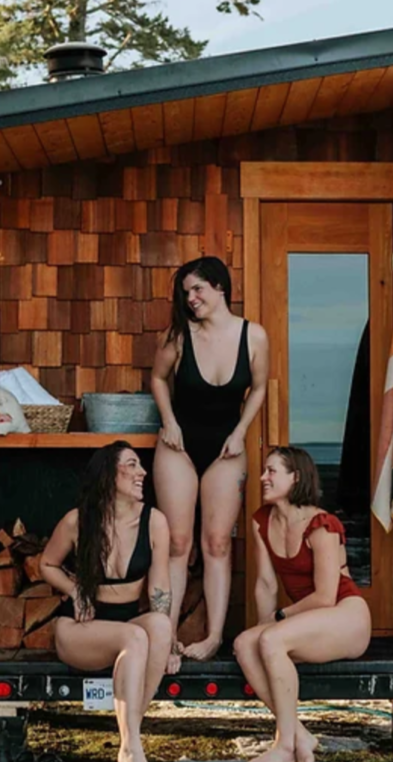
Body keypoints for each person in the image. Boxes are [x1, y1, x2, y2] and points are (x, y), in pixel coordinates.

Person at [150, 256, 268, 665]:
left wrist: (241, 432)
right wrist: (168, 422)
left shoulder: (253, 336)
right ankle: (164, 639)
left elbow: (258, 388)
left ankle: (214, 637)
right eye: (186, 293)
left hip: (226, 448)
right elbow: (158, 378)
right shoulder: (179, 336)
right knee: (178, 543)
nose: (191, 298)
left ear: (220, 287)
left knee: (217, 543)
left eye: (197, 289)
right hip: (178, 447)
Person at [39, 441, 173, 762]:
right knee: (134, 636)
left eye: (141, 465)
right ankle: (131, 749)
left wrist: (169, 644)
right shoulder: (77, 520)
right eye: (132, 464)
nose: (143, 472)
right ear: (109, 474)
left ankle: (130, 743)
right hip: (80, 629)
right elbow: (47, 564)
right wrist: (75, 590)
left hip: (127, 624)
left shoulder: (155, 522)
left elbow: (160, 588)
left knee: (157, 625)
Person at [235, 446, 372, 762]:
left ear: (295, 478)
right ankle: (300, 735)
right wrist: (262, 627)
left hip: (345, 614)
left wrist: (278, 621)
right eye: (264, 471)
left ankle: (284, 745)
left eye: (272, 472)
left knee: (270, 641)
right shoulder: (261, 521)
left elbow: (325, 596)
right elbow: (266, 585)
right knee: (244, 644)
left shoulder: (322, 524)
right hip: (306, 618)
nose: (263, 478)